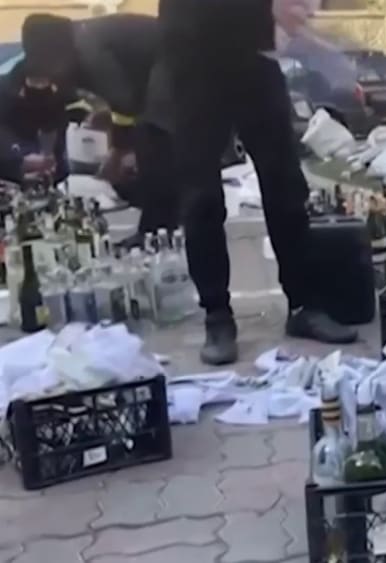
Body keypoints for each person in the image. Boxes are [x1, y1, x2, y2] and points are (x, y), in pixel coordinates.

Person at [159, 0, 358, 365]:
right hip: (192, 55)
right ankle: (217, 316)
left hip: (253, 55)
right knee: (201, 196)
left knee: (285, 185)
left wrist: (318, 46)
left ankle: (304, 305)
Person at [16, 13, 178, 242]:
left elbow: (126, 103)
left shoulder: (89, 51)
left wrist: (117, 153)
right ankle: (164, 217)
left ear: (57, 51)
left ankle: (157, 229)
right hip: (150, 73)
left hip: (175, 59)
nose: (51, 75)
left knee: (154, 140)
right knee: (148, 142)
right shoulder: (69, 53)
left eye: (49, 67)